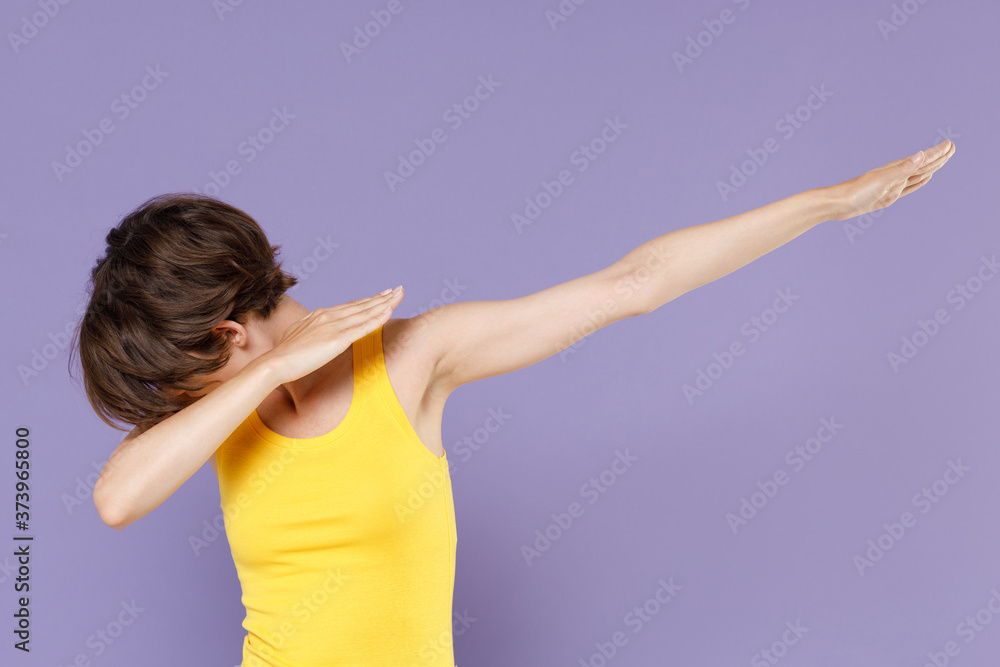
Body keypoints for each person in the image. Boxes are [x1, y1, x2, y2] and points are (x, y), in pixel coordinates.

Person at [70, 139, 955, 666]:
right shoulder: (221, 411)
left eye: (182, 379)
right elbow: (116, 498)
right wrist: (268, 374)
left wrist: (831, 203)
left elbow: (633, 285)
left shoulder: (413, 358)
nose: (178, 401)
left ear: (225, 334)